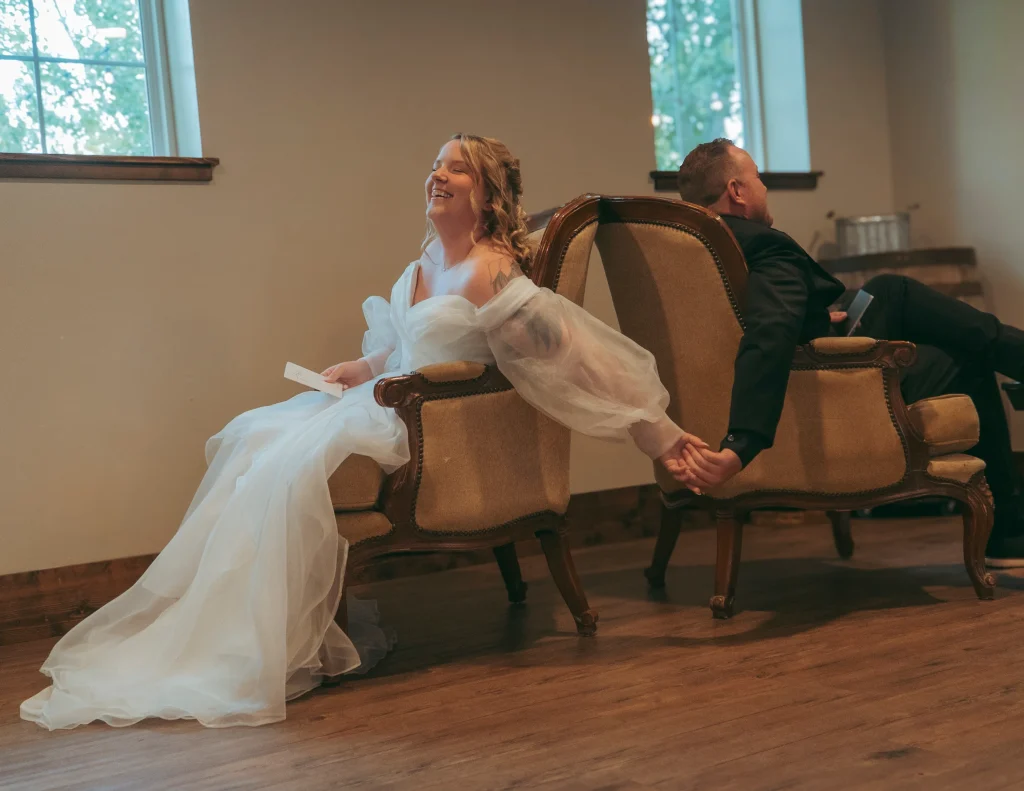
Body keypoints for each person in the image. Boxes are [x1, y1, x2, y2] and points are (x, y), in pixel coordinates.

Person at [21, 134, 706, 730]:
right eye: (436, 163)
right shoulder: (421, 267)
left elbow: (569, 353)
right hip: (382, 400)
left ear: (488, 196)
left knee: (286, 460)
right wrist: (360, 366)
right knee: (250, 440)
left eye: (457, 168)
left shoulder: (491, 270)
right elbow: (402, 348)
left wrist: (659, 430)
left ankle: (274, 644)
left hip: (430, 427)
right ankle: (251, 640)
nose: (437, 174)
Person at [673, 138, 1024, 567]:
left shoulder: (698, 248)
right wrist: (741, 442)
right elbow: (768, 334)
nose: (764, 187)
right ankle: (1004, 531)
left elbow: (745, 324)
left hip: (810, 357)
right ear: (737, 191)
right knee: (947, 337)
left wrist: (819, 320)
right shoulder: (763, 243)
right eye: (759, 179)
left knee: (885, 290)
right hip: (826, 382)